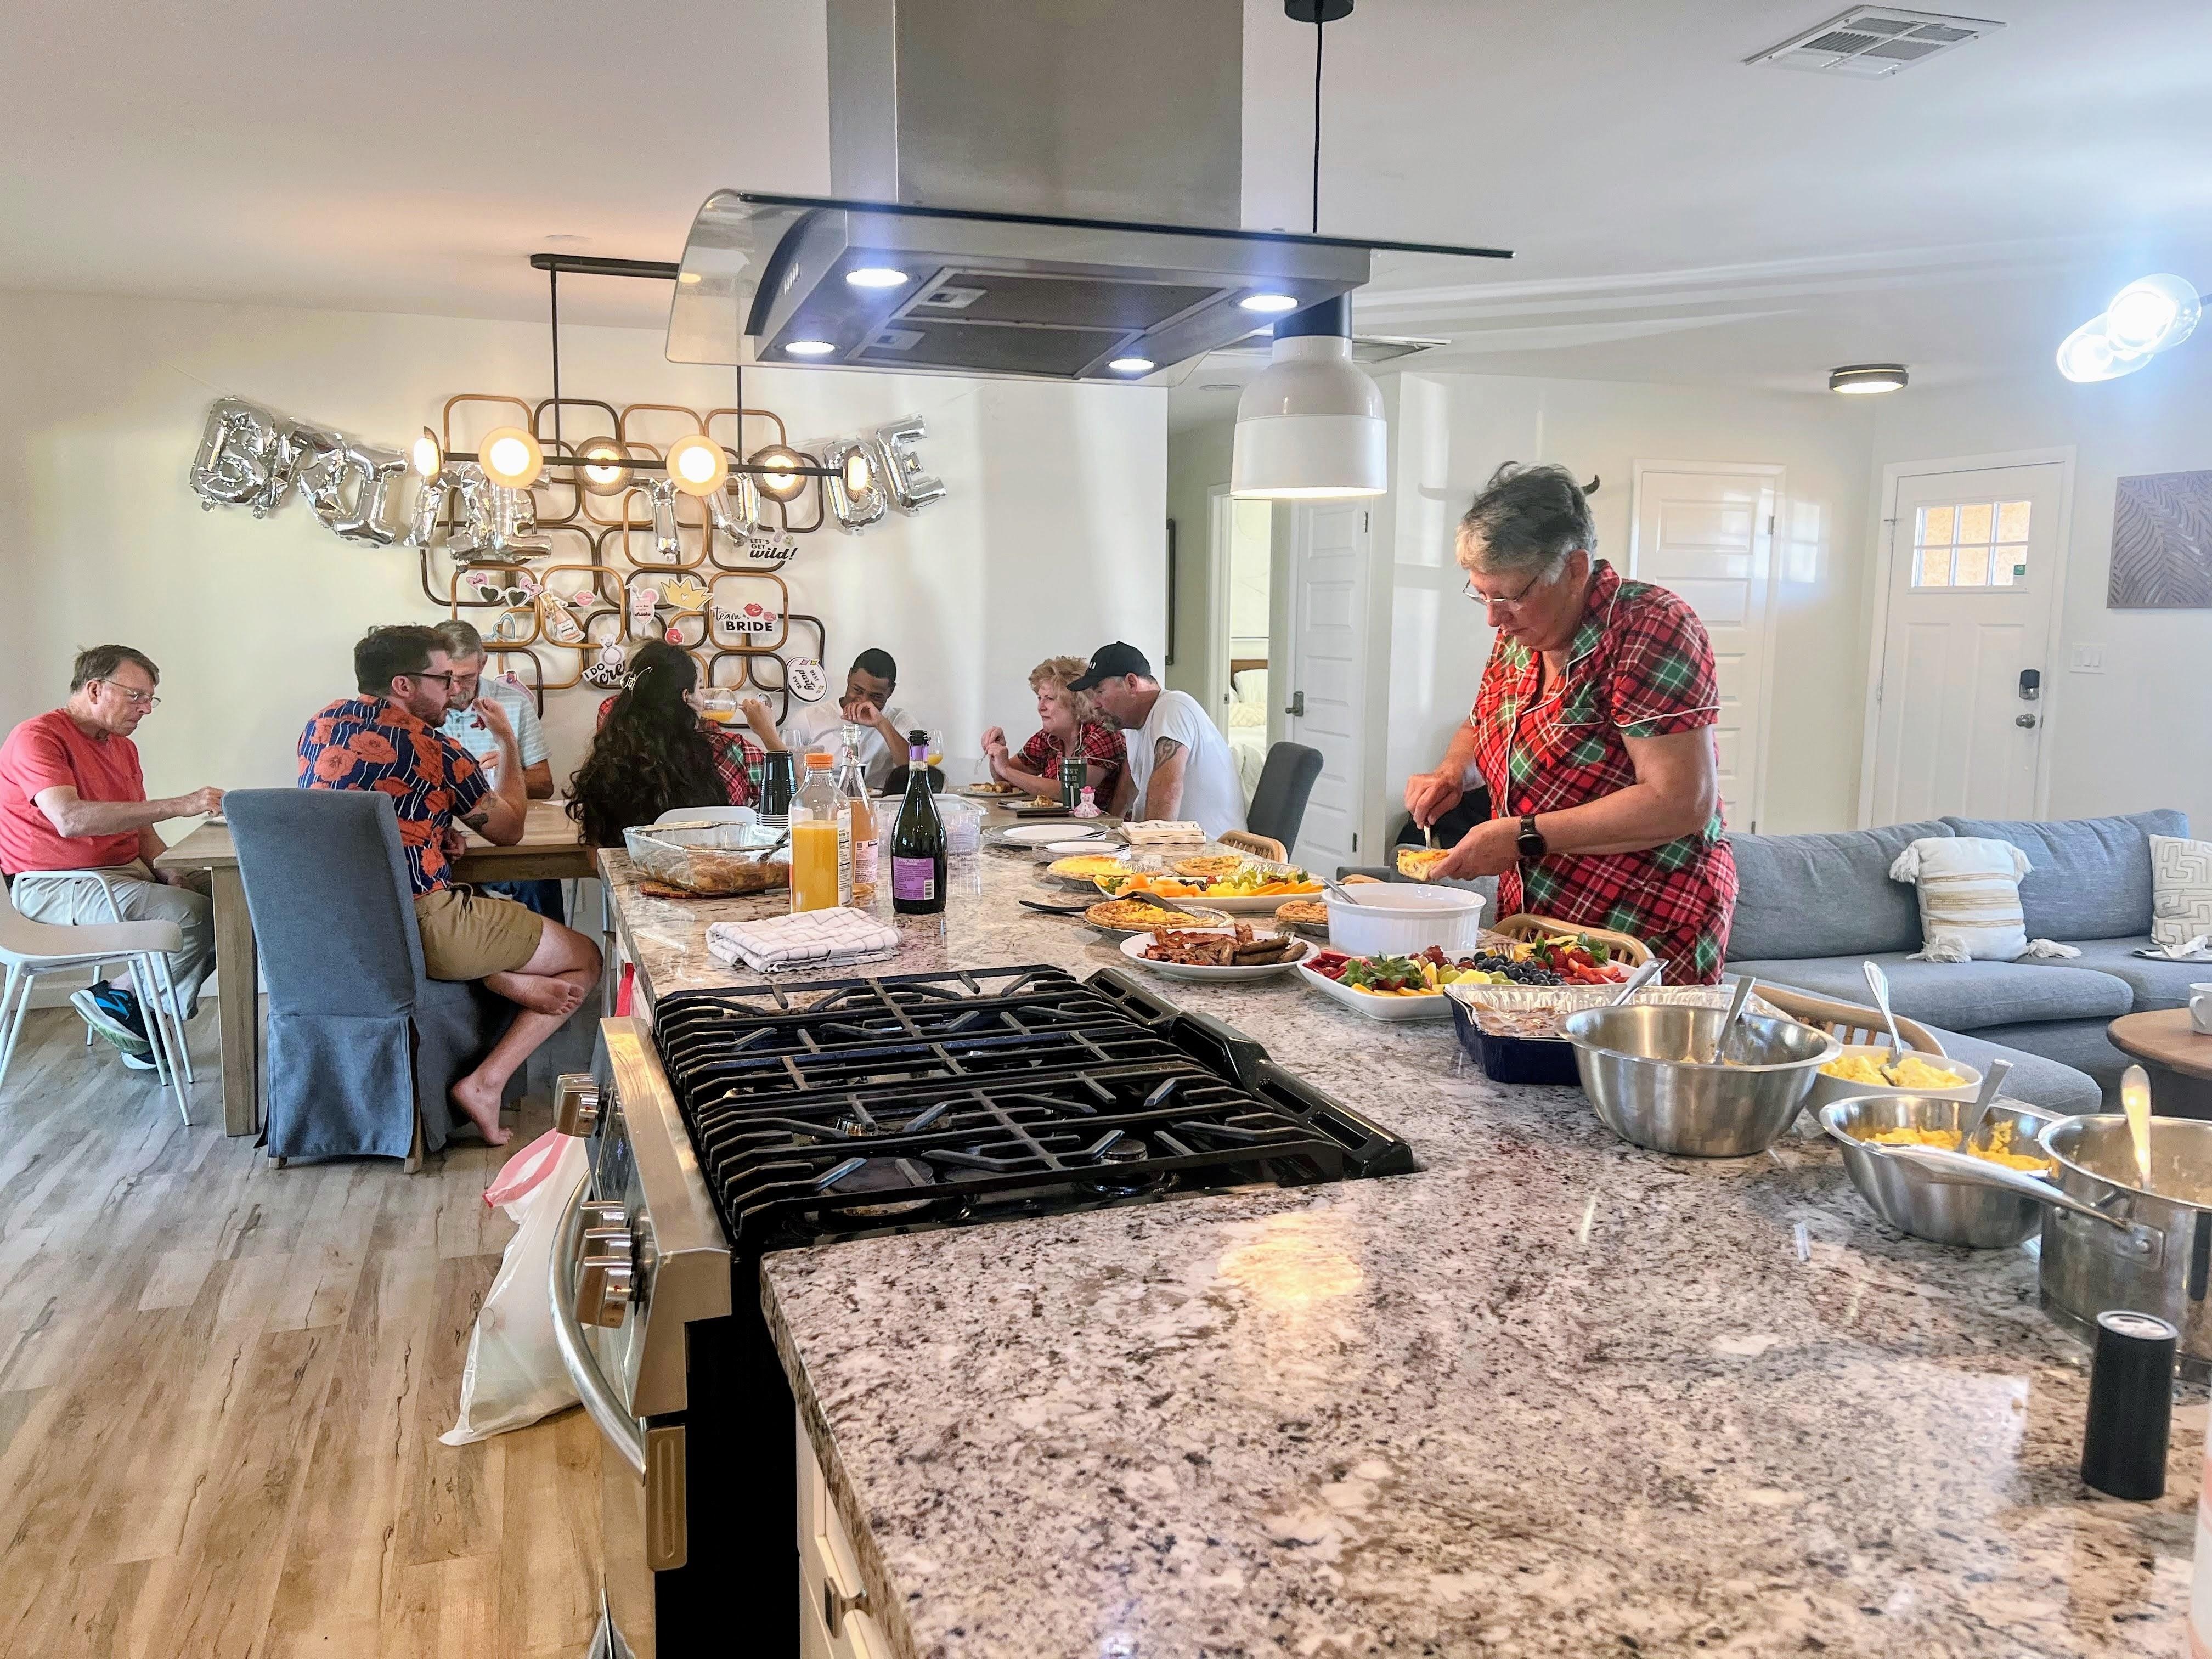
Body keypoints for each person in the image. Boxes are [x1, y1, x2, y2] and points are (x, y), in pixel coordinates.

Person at [1407, 463, 1736, 982]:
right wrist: (1451, 773)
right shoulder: (1522, 635)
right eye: (1481, 593)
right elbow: (1481, 724)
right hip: (1538, 921)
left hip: (1644, 924)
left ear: (1576, 568)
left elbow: (1679, 802)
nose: (1494, 617)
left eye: (1512, 595)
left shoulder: (1650, 627)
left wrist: (1522, 836)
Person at [299, 625, 602, 1144]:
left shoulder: (320, 726)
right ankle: (486, 1081)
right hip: (423, 925)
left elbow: (372, 813)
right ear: (403, 685)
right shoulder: (433, 747)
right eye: (443, 680)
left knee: (479, 903)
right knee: (586, 957)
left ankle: (495, 975)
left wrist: (435, 834)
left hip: (339, 928)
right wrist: (507, 740)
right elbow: (509, 831)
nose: (454, 692)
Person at [0, 645, 223, 1068]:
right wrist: (182, 804)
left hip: (125, 874)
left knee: (240, 902)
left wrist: (168, 868)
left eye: (150, 699)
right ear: (96, 689)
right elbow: (68, 819)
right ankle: (134, 1014)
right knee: (192, 916)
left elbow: (139, 828)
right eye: (136, 696)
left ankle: (122, 998)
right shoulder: (38, 737)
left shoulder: (121, 747)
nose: (146, 709)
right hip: (54, 884)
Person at [570, 642, 765, 847]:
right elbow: (795, 800)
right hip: (719, 876)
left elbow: (597, 859)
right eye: (699, 687)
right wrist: (767, 733)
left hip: (636, 877)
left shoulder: (609, 763)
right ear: (686, 698)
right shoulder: (732, 752)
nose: (703, 697)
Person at [434, 619, 562, 923]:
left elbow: (544, 784)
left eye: (466, 678)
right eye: (447, 678)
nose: (456, 689)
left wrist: (508, 770)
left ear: (483, 664)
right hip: (444, 842)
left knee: (540, 878)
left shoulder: (512, 704)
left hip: (497, 837)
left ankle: (552, 955)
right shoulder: (423, 708)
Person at [1071, 642, 1248, 842]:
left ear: (1131, 683)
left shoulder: (1173, 707)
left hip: (1212, 851)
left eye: (1099, 691)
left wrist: (1150, 856)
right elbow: (1129, 785)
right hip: (1179, 846)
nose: (1095, 703)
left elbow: (1167, 789)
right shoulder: (1134, 726)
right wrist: (1108, 833)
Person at [980, 656, 1126, 802]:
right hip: (1060, 823)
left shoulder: (1103, 733)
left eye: (1049, 699)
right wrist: (997, 753)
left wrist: (1006, 769)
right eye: (1039, 698)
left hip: (1099, 824)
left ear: (1076, 702)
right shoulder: (1048, 737)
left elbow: (1072, 792)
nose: (1040, 707)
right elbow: (1004, 781)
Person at [772, 650, 912, 793]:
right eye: (857, 690)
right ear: (849, 677)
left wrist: (881, 723)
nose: (864, 701)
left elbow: (916, 771)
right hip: (823, 805)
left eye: (876, 697)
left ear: (890, 691)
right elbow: (782, 770)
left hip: (881, 806)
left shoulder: (898, 720)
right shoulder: (810, 717)